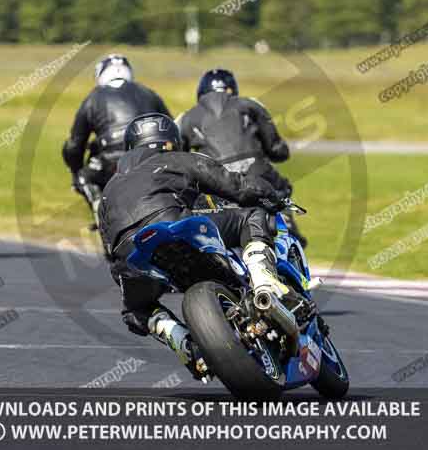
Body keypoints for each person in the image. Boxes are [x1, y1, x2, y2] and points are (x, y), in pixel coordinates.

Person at [98, 113, 291, 380]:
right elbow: (238, 187)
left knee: (136, 310)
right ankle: (264, 284)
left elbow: (109, 248)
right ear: (170, 140)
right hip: (171, 221)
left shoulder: (109, 189)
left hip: (130, 255)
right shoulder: (175, 158)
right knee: (252, 216)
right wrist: (274, 195)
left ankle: (185, 345)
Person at [176, 69, 306, 246]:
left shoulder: (184, 119)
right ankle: (289, 232)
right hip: (256, 172)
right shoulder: (250, 104)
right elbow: (276, 149)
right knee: (280, 190)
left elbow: (176, 161)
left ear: (201, 92)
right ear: (232, 88)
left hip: (215, 180)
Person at [62, 54, 171, 226]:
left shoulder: (93, 98)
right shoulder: (149, 94)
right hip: (153, 158)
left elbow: (74, 146)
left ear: (101, 74)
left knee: (83, 177)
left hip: (110, 163)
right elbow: (171, 128)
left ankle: (100, 212)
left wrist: (76, 172)